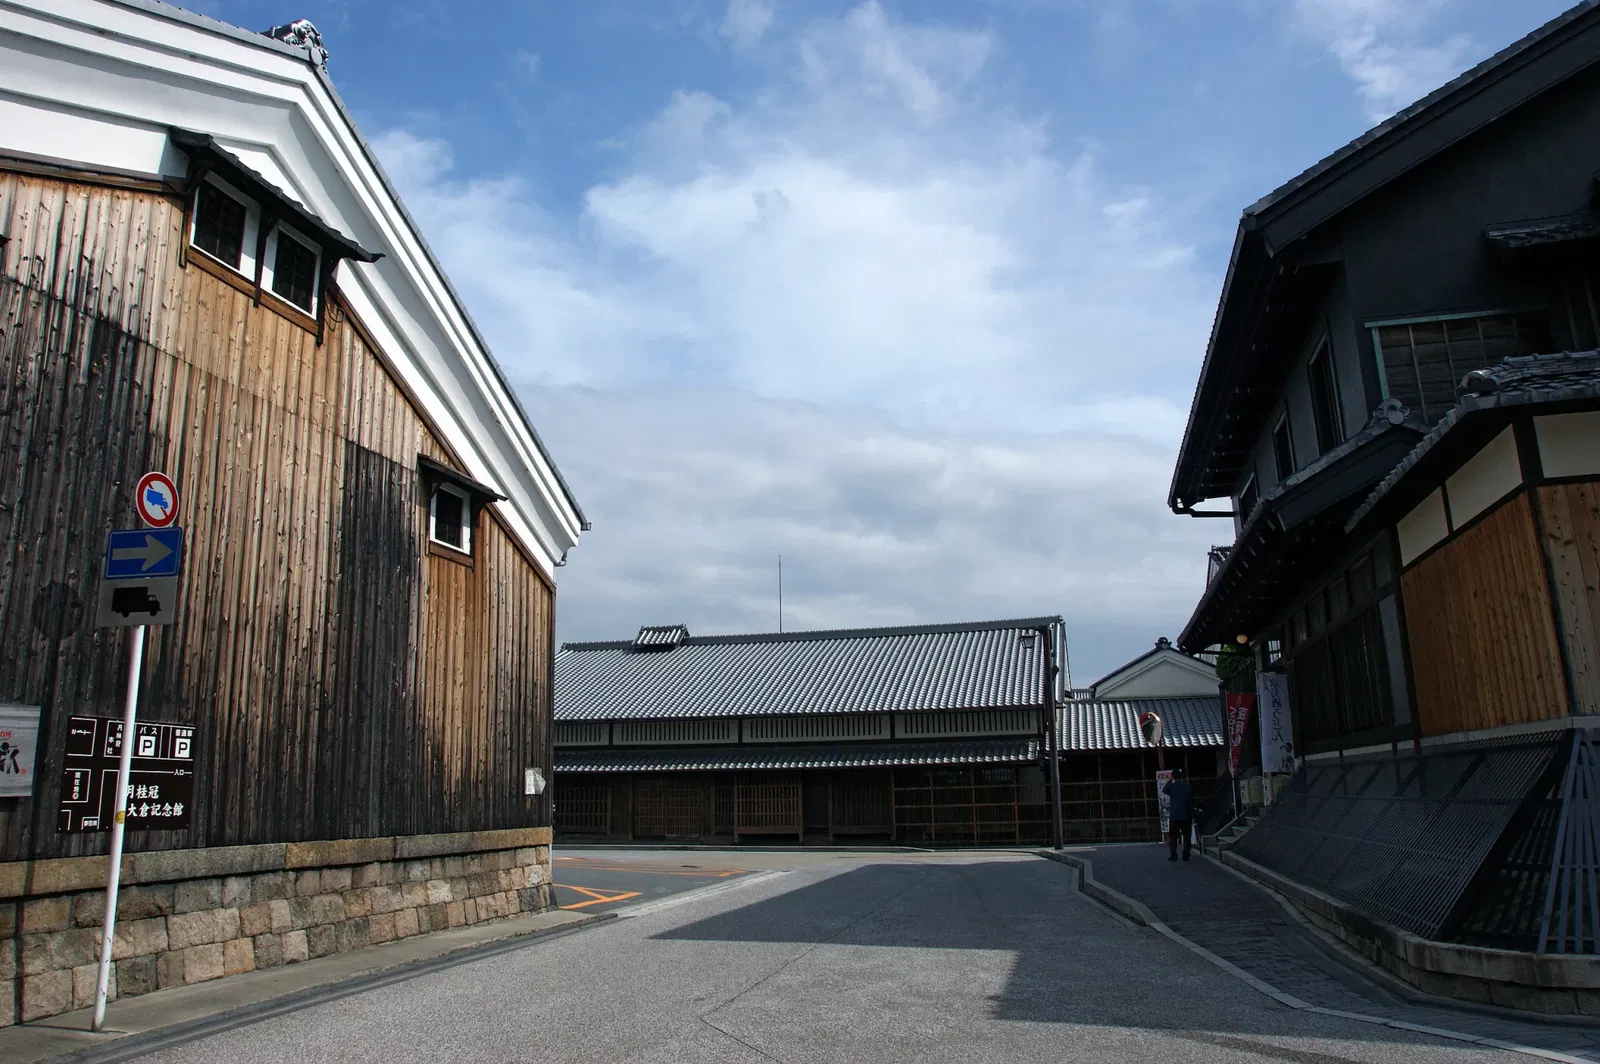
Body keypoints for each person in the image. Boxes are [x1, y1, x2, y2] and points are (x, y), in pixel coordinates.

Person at [1164, 769, 1193, 862]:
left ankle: (1173, 854)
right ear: (1182, 776)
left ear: (1173, 776)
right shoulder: (1187, 786)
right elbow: (1190, 800)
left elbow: (1164, 790)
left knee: (1173, 836)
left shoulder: (1171, 786)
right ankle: (1186, 853)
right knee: (1187, 835)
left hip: (1174, 815)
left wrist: (1169, 780)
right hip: (1185, 814)